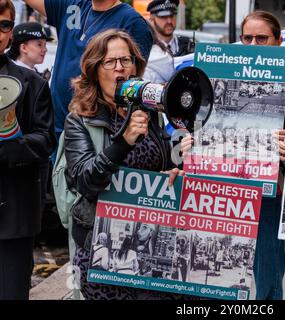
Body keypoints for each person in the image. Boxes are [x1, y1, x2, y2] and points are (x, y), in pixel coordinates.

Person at [180, 10, 285, 300]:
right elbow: (197, 122)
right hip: (222, 187)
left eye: (261, 38)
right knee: (218, 268)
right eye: (247, 38)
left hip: (268, 190)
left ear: (279, 41)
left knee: (268, 270)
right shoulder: (213, 77)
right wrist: (191, 141)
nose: (252, 45)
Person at [64, 29, 186, 300]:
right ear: (95, 70)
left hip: (150, 244)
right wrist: (125, 140)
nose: (120, 67)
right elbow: (85, 180)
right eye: (110, 62)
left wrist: (176, 167)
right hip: (104, 248)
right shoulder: (80, 120)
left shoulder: (148, 111)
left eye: (126, 60)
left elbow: (163, 161)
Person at [24, 0, 152, 144]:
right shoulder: (72, 4)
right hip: (56, 125)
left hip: (97, 133)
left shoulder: (132, 21)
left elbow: (132, 82)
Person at [0, 0, 55, 300]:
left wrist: (9, 147)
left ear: (10, 32)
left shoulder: (33, 83)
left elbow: (45, 140)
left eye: (4, 25)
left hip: (13, 216)